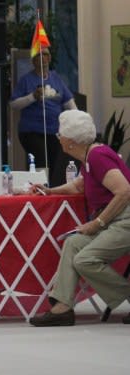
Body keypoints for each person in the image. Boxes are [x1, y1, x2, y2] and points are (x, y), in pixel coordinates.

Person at [29, 110, 130, 327]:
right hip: (116, 218)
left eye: (60, 135)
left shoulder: (97, 155)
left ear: (71, 141)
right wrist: (49, 191)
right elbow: (78, 186)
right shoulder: (89, 157)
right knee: (73, 243)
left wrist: (97, 223)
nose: (58, 138)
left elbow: (124, 191)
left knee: (85, 260)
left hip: (125, 219)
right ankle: (62, 308)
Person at [10, 48, 77, 187]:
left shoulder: (56, 78)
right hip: (31, 131)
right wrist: (33, 97)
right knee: (41, 158)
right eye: (39, 55)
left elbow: (68, 101)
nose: (42, 58)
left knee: (55, 162)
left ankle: (51, 190)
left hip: (54, 131)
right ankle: (40, 190)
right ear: (33, 60)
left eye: (45, 54)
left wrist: (78, 118)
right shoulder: (26, 80)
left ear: (50, 58)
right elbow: (14, 104)